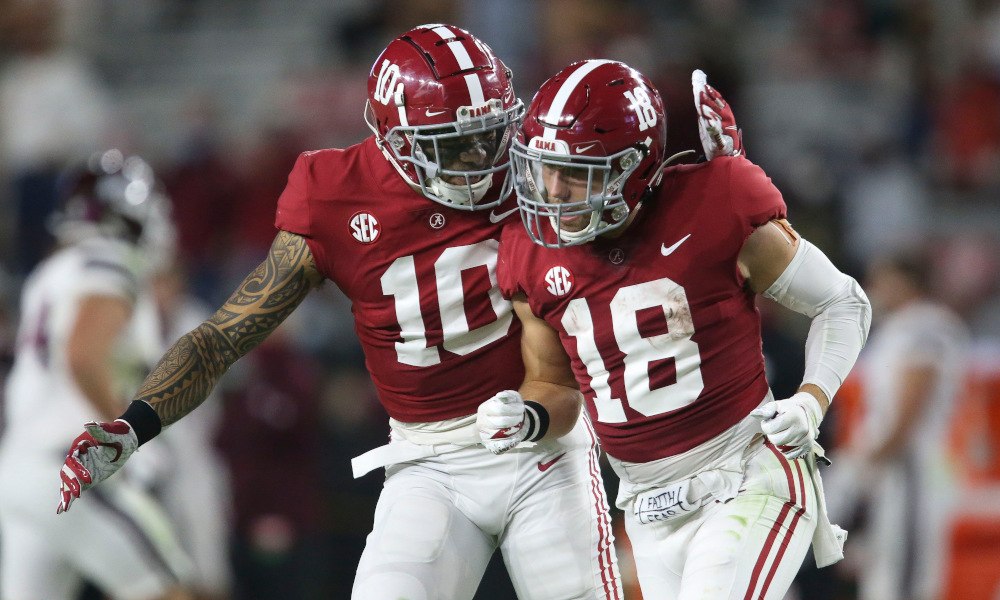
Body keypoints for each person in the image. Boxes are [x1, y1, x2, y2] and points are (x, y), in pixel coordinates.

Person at [56, 24, 629, 600]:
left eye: (490, 134)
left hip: (543, 447)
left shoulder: (542, 170)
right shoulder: (333, 194)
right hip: (429, 460)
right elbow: (222, 338)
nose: (482, 159)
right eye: (455, 145)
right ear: (394, 141)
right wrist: (136, 423)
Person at [483, 60, 872, 600]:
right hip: (645, 507)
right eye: (542, 167)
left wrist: (811, 400)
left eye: (575, 173)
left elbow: (842, 301)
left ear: (633, 167)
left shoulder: (716, 203)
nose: (552, 190)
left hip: (746, 476)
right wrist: (527, 417)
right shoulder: (527, 252)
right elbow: (555, 385)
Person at [0, 149, 194, 600]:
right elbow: (83, 355)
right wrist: (128, 435)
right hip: (71, 467)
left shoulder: (51, 272)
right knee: (173, 589)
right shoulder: (111, 263)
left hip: (20, 470)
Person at [827, 249, 970, 600]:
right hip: (892, 468)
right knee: (881, 579)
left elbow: (908, 412)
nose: (875, 288)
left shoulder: (926, 325)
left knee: (903, 583)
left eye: (882, 278)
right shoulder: (900, 326)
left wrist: (870, 461)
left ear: (906, 279)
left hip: (910, 468)